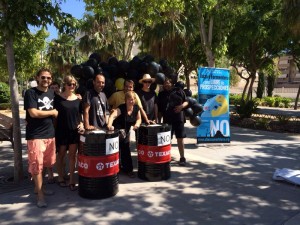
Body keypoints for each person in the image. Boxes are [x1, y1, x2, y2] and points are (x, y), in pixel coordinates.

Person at [24, 68, 58, 208]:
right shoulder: (30, 93)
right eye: (43, 77)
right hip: (35, 135)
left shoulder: (51, 93)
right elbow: (33, 113)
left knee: (45, 164)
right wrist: (52, 112)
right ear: (37, 78)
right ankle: (40, 196)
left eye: (48, 78)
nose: (46, 80)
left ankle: (40, 188)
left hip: (50, 134)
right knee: (37, 166)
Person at [54, 75, 84, 191]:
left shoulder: (78, 99)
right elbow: (54, 117)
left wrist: (81, 124)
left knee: (72, 156)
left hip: (74, 131)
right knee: (61, 155)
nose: (72, 86)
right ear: (65, 85)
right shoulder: (58, 99)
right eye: (70, 84)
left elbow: (79, 115)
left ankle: (72, 179)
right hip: (61, 131)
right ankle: (60, 177)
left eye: (74, 84)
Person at [107, 91, 141, 178]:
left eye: (133, 99)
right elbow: (112, 116)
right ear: (125, 100)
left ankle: (128, 170)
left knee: (126, 149)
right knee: (116, 150)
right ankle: (115, 169)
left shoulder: (136, 108)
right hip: (117, 130)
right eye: (129, 99)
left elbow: (139, 119)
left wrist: (137, 125)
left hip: (126, 131)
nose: (131, 101)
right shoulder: (121, 108)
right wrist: (109, 125)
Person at [158, 79, 189, 166]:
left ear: (172, 84)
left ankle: (182, 158)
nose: (166, 85)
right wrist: (159, 121)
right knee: (167, 140)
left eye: (168, 83)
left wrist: (181, 106)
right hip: (167, 120)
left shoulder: (179, 91)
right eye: (164, 83)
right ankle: (167, 157)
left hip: (179, 119)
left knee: (180, 138)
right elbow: (160, 110)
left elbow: (186, 102)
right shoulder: (161, 94)